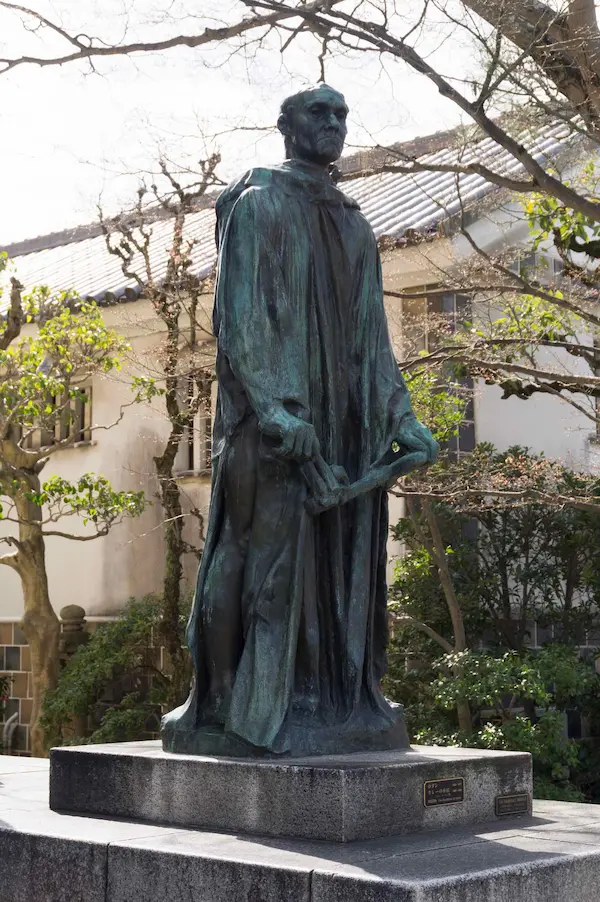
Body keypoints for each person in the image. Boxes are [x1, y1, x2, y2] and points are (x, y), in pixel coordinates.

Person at [162, 84, 438, 757]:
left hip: (342, 427)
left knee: (334, 563)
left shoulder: (352, 222)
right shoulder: (260, 203)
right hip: (269, 424)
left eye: (343, 114)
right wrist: (276, 406)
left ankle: (327, 696)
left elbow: (372, 336)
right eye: (319, 113)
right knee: (248, 555)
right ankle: (221, 699)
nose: (335, 125)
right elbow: (240, 319)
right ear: (285, 127)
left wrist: (400, 415)